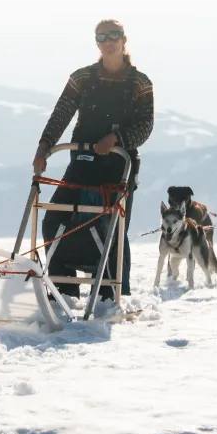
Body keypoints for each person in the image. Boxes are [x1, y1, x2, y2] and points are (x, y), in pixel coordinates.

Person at [33, 18, 154, 302]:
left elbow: (145, 125)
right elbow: (61, 113)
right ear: (96, 43)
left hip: (118, 167)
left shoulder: (140, 82)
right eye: (102, 37)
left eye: (114, 36)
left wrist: (116, 139)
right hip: (82, 163)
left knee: (112, 228)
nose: (108, 42)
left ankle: (110, 294)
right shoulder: (83, 77)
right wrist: (44, 147)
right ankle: (65, 288)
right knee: (54, 220)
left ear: (124, 40)